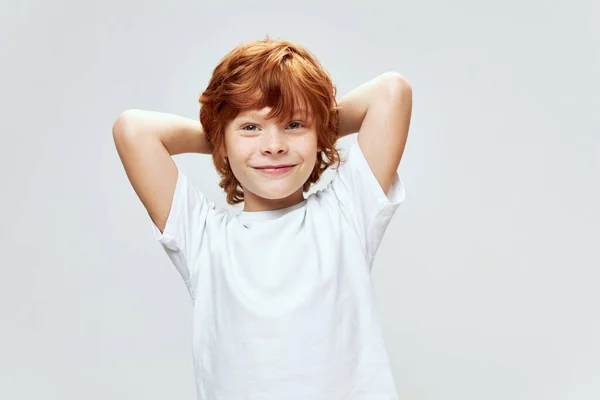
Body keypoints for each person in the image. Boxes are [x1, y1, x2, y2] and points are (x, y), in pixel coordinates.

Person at [113, 37, 412, 399]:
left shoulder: (347, 213)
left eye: (293, 126)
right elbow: (133, 130)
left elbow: (392, 92)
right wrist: (223, 133)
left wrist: (312, 124)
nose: (273, 145)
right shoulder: (204, 237)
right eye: (251, 128)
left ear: (319, 134)